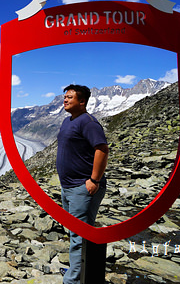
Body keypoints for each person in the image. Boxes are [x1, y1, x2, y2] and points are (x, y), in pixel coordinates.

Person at [56, 84, 109, 284]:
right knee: (74, 232)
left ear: (82, 101)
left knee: (80, 234)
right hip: (69, 186)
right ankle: (75, 272)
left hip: (83, 187)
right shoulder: (67, 121)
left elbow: (102, 149)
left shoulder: (88, 122)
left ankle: (73, 280)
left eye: (70, 97)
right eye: (65, 97)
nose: (65, 100)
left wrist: (94, 180)